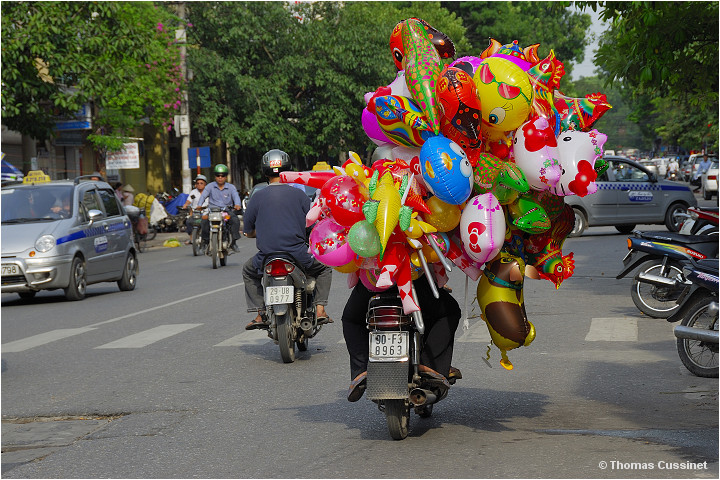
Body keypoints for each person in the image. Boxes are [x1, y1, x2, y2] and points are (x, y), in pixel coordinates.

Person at [242, 149, 333, 330]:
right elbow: (310, 224)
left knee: (248, 271)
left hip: (267, 255)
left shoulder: (257, 196)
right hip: (297, 253)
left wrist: (256, 234)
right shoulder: (300, 195)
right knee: (324, 268)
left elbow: (247, 230)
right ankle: (320, 310)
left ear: (265, 171)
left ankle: (260, 313)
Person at [342, 278, 461, 402]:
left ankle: (361, 369)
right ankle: (430, 365)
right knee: (450, 312)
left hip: (372, 281)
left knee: (351, 320)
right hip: (414, 282)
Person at [196, 164, 242, 252]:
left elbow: (236, 197)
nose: (220, 178)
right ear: (215, 177)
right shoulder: (210, 186)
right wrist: (199, 205)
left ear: (226, 177)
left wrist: (237, 205)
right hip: (213, 211)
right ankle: (205, 242)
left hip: (226, 212)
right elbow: (203, 196)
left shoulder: (231, 187)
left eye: (222, 175)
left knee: (235, 220)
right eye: (218, 175)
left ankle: (234, 242)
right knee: (204, 221)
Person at [182, 175, 209, 244]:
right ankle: (191, 238)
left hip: (206, 212)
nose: (199, 185)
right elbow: (189, 200)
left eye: (201, 183)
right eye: (198, 183)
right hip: (196, 213)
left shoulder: (209, 192)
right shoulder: (193, 192)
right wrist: (185, 205)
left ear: (205, 184)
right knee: (188, 222)